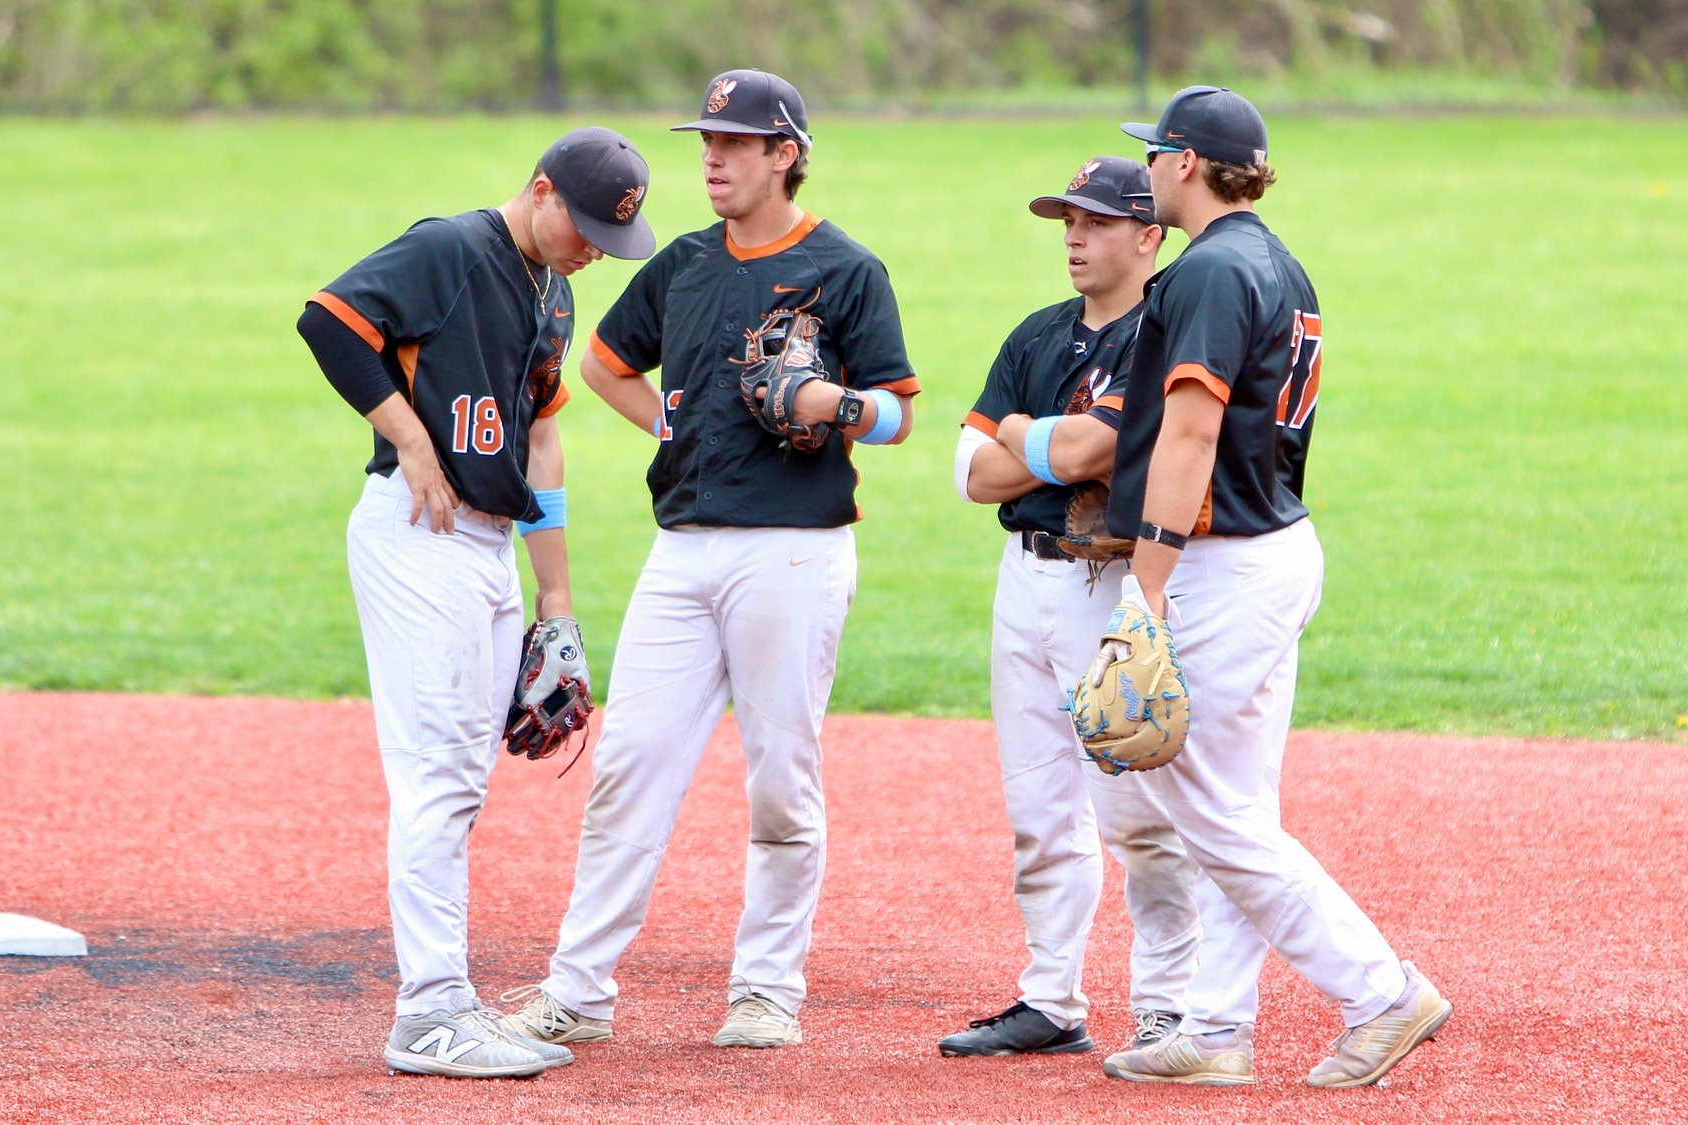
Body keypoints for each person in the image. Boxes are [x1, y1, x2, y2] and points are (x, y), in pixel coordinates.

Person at [500, 69, 920, 1051]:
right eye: (705, 140)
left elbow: (900, 412)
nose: (712, 158)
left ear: (785, 154)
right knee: (629, 769)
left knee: (780, 777)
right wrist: (666, 424)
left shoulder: (846, 269)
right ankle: (578, 989)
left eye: (733, 143)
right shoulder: (684, 262)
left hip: (793, 550)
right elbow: (605, 360)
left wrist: (835, 407)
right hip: (681, 549)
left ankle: (766, 989)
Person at [1091, 86, 1452, 1088]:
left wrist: (1144, 586)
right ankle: (1212, 1030)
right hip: (1271, 542)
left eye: (1154, 154)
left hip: (1220, 561)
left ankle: (1381, 993)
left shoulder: (1206, 272)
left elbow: (1191, 431)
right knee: (1233, 797)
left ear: (1186, 166)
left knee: (1197, 800)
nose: (1146, 170)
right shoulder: (1276, 262)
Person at [296, 126, 655, 1079]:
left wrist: (558, 595)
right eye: (581, 227)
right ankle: (428, 1012)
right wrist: (409, 439)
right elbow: (329, 320)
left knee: (462, 781)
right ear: (540, 192)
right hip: (421, 534)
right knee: (438, 777)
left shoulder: (557, 291)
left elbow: (541, 438)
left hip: (489, 548)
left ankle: (449, 997)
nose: (590, 248)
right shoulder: (450, 248)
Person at [939, 156, 1202, 1060]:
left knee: (1137, 809)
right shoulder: (1036, 335)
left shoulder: (1163, 333)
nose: (1074, 236)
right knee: (1038, 807)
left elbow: (1107, 444)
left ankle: (1168, 1002)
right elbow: (971, 475)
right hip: (1025, 580)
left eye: (1093, 221)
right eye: (1067, 221)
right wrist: (1051, 449)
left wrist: (1035, 437)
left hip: (1111, 584)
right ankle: (1050, 996)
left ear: (1148, 235)